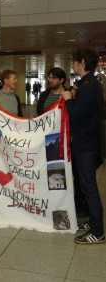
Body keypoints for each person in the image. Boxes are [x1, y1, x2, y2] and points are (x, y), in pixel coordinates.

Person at [61, 48, 105, 245]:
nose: (72, 64)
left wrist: (69, 100)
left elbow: (77, 116)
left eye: (74, 61)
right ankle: (93, 223)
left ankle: (98, 231)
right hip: (87, 142)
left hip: (86, 144)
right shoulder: (91, 84)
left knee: (89, 188)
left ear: (81, 62)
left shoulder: (88, 87)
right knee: (85, 185)